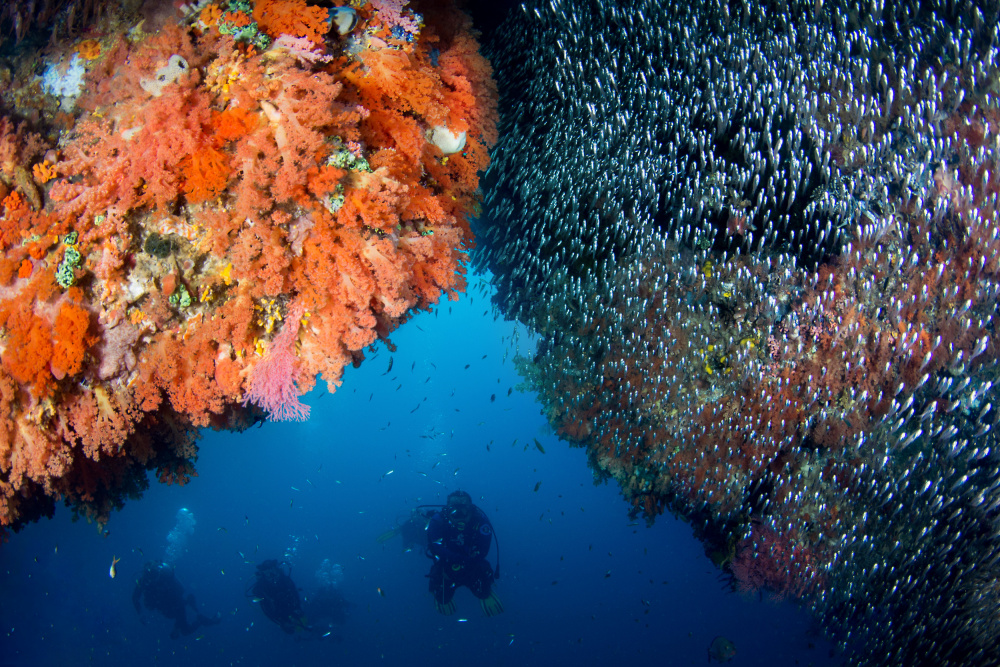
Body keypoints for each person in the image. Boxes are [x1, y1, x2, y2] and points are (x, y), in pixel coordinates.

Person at [425, 490, 503, 617]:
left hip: (473, 566)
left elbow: (483, 550)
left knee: (483, 591)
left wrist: (467, 561)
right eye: (454, 508)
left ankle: (485, 592)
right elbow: (435, 547)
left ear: (470, 508)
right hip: (446, 567)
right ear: (447, 508)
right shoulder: (438, 520)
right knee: (442, 598)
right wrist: (457, 558)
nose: (459, 513)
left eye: (463, 507)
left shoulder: (480, 521)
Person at [132, 561, 220, 639]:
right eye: (148, 574)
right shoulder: (144, 581)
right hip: (169, 608)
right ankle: (198, 614)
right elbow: (135, 598)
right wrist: (140, 614)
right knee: (183, 629)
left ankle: (203, 619)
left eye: (152, 574)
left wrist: (177, 626)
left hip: (175, 606)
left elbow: (177, 600)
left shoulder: (163, 577)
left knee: (185, 630)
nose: (151, 578)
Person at [248, 559, 309, 634]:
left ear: (277, 570)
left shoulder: (286, 580)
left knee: (304, 624)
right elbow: (266, 609)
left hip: (291, 608)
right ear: (263, 573)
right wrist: (280, 623)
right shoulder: (261, 588)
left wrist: (298, 609)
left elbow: (295, 595)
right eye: (267, 572)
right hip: (278, 614)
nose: (271, 575)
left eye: (273, 571)